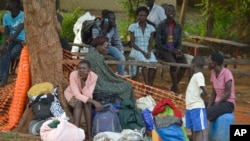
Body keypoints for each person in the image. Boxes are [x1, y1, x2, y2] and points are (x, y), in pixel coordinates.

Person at [84, 36, 134, 102]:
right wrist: (117, 79)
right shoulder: (98, 58)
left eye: (108, 48)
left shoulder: (91, 55)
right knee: (127, 86)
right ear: (99, 46)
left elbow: (105, 73)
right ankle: (125, 105)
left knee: (124, 83)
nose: (107, 50)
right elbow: (107, 75)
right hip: (98, 86)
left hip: (95, 84)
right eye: (106, 47)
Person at [64, 60, 103, 140]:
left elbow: (88, 95)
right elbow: (77, 95)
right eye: (79, 68)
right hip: (71, 94)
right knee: (79, 103)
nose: (81, 70)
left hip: (84, 95)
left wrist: (83, 83)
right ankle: (75, 134)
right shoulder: (73, 75)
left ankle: (89, 134)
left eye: (84, 68)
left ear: (89, 70)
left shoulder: (94, 77)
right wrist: (94, 102)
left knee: (87, 104)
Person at [156, 4, 187, 94]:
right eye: (169, 11)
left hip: (174, 50)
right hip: (163, 49)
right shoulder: (161, 25)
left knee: (184, 65)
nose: (171, 13)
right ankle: (176, 87)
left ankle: (174, 85)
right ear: (165, 12)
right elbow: (158, 43)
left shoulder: (178, 26)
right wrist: (170, 50)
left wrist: (179, 50)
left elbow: (179, 42)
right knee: (173, 64)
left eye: (173, 11)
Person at [92, 10, 127, 76]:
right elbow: (96, 41)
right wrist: (104, 30)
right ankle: (99, 76)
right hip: (96, 48)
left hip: (108, 46)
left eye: (115, 19)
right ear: (106, 20)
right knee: (98, 59)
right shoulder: (96, 26)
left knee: (122, 58)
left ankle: (120, 76)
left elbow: (117, 39)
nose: (114, 21)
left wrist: (121, 50)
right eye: (112, 19)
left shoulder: (114, 27)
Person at [128, 6, 157, 86]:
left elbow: (151, 43)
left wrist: (149, 51)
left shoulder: (151, 28)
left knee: (154, 64)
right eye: (140, 15)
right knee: (144, 63)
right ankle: (146, 85)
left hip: (147, 50)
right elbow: (133, 44)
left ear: (147, 16)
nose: (142, 17)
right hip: (136, 50)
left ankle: (150, 85)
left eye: (144, 16)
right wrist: (143, 52)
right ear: (137, 16)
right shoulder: (132, 27)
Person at [0, 0, 25, 87]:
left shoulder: (23, 15)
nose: (6, 4)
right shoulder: (6, 17)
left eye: (9, 2)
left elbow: (17, 32)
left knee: (12, 54)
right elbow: (7, 34)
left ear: (15, 4)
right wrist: (5, 44)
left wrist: (6, 42)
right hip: (12, 41)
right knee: (3, 51)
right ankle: (3, 78)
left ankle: (3, 77)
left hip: (22, 42)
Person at [206, 52, 235, 121]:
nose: (208, 62)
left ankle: (202, 131)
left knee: (207, 113)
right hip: (217, 102)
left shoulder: (226, 73)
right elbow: (214, 92)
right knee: (199, 107)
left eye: (209, 60)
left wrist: (216, 104)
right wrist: (209, 106)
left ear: (214, 63)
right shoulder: (213, 72)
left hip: (228, 103)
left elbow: (227, 93)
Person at [185, 56, 208, 141]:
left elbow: (203, 88)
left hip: (196, 107)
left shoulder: (199, 75)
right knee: (194, 130)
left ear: (193, 65)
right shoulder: (195, 76)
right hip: (190, 107)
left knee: (199, 130)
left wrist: (206, 93)